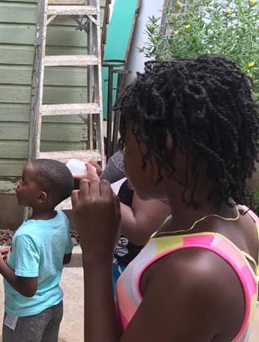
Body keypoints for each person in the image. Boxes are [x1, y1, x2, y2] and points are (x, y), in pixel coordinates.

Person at [72, 55, 259, 341]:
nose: (123, 156)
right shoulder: (242, 219)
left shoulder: (195, 275)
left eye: (127, 144)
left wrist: (97, 254)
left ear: (164, 147)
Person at [0, 159, 74, 342]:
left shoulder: (26, 235)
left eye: (24, 181)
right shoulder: (61, 219)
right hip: (54, 305)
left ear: (41, 197)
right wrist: (16, 254)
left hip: (27, 314)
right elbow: (65, 258)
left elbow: (27, 289)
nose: (18, 184)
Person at [78, 151, 169, 287]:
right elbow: (123, 191)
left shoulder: (158, 165)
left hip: (129, 268)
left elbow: (140, 230)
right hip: (113, 259)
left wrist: (96, 185)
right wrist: (101, 176)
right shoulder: (135, 149)